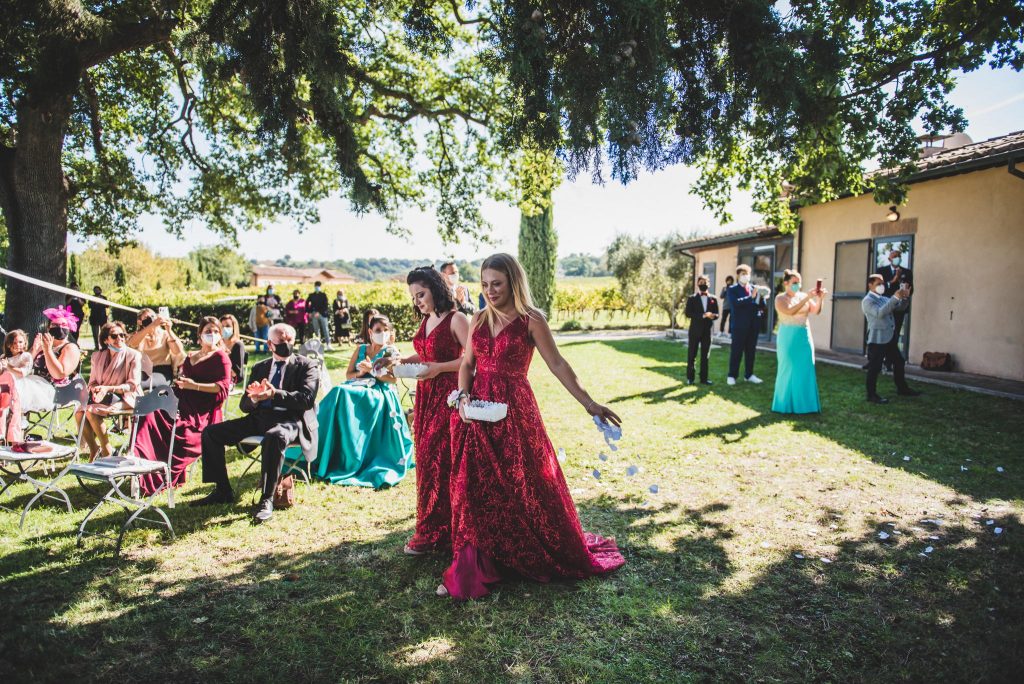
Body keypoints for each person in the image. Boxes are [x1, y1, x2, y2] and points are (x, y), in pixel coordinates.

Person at [440, 253, 625, 600]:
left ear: (513, 282)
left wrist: (590, 404)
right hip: (477, 410)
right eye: (484, 284)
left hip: (515, 411)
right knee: (474, 488)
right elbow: (467, 364)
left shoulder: (531, 320)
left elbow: (558, 364)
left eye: (497, 284)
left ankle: (521, 553)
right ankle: (479, 565)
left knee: (524, 484)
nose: (490, 291)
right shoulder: (477, 319)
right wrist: (462, 396)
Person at [195, 323, 319, 524]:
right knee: (211, 433)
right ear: (270, 344)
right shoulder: (260, 367)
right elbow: (244, 405)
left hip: (291, 420)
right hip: (259, 418)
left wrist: (274, 394)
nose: (286, 344)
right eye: (281, 341)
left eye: (289, 340)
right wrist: (254, 398)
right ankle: (222, 490)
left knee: (275, 436)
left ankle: (267, 498)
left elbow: (306, 399)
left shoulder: (306, 365)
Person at [400, 267, 470, 555]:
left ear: (436, 289)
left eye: (421, 294)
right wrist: (405, 360)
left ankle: (448, 529)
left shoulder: (458, 319)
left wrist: (438, 369)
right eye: (414, 297)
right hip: (426, 397)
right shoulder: (427, 320)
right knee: (427, 462)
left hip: (450, 397)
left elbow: (472, 361)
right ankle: (432, 527)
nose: (417, 301)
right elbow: (427, 353)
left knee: (443, 462)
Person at [311, 314, 413, 488]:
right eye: (378, 330)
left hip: (380, 392)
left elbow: (393, 379)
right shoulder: (360, 349)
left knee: (350, 395)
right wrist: (360, 373)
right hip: (357, 385)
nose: (382, 333)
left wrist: (373, 371)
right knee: (339, 392)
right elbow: (348, 374)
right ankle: (326, 448)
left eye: (385, 330)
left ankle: (356, 456)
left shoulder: (392, 351)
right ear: (370, 332)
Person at [134, 317, 232, 496]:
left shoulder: (221, 356)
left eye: (216, 331)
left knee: (179, 429)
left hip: (202, 410)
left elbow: (222, 387)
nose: (212, 334)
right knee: (149, 414)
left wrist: (193, 385)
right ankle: (139, 460)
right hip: (182, 400)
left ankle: (162, 472)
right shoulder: (191, 356)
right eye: (208, 331)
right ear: (200, 335)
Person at [78, 322, 143, 460]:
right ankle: (94, 448)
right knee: (79, 412)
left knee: (92, 411)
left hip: (128, 397)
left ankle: (106, 450)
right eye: (114, 336)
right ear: (106, 340)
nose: (119, 338)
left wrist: (108, 388)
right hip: (104, 396)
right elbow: (93, 382)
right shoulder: (97, 356)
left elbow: (132, 385)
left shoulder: (133, 355)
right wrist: (96, 389)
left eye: (122, 335)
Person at [772, 270, 825, 414]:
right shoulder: (780, 298)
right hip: (788, 337)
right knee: (788, 369)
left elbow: (816, 311)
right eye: (795, 282)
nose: (798, 285)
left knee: (806, 368)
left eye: (799, 282)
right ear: (786, 283)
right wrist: (807, 297)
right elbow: (790, 312)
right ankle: (784, 404)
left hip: (804, 336)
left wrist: (820, 298)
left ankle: (806, 406)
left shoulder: (803, 296)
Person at [862, 275, 921, 404]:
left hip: (889, 337)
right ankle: (871, 395)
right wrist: (895, 297)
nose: (881, 286)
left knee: (899, 361)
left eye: (882, 283)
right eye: (878, 283)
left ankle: (902, 389)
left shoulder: (883, 298)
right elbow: (880, 313)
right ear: (870, 285)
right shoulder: (867, 301)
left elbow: (899, 308)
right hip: (877, 339)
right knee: (874, 367)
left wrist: (904, 297)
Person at [18, 307, 83, 415]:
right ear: (48, 328)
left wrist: (48, 351)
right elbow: (22, 367)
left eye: (63, 325)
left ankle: (17, 424)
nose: (59, 328)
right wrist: (34, 349)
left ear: (70, 327)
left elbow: (58, 374)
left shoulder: (70, 348)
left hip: (53, 391)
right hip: (32, 384)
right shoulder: (44, 344)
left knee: (15, 389)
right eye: (55, 325)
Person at [725, 265, 765, 385]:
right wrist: (750, 297)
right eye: (743, 274)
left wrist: (762, 297)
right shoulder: (732, 289)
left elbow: (760, 305)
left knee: (751, 351)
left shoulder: (754, 288)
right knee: (736, 351)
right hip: (739, 326)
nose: (745, 276)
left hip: (753, 326)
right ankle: (732, 375)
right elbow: (736, 304)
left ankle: (749, 375)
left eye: (747, 273)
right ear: (738, 275)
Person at [128, 308, 186, 383]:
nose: (151, 319)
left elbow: (177, 351)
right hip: (142, 371)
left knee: (149, 385)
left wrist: (169, 330)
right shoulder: (139, 336)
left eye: (153, 317)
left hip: (162, 371)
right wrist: (152, 325)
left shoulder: (165, 334)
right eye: (147, 318)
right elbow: (132, 344)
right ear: (140, 322)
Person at [878, 249, 913, 370]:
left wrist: (908, 292)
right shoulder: (882, 271)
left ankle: (889, 362)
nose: (897, 258)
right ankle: (877, 359)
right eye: (894, 256)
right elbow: (879, 289)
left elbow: (911, 289)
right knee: (884, 334)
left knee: (895, 334)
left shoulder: (907, 272)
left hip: (899, 309)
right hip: (886, 308)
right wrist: (893, 280)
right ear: (889, 259)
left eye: (899, 256)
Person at [684, 276, 718, 386]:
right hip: (694, 330)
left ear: (709, 284)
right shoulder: (692, 298)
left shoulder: (713, 299)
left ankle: (704, 379)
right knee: (692, 354)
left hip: (707, 331)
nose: (703, 284)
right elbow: (688, 313)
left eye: (705, 282)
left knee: (705, 356)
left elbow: (717, 314)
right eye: (701, 282)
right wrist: (703, 315)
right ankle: (690, 378)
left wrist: (713, 316)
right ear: (698, 284)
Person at [0, 329, 32, 441]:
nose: (17, 345)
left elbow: (22, 373)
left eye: (20, 342)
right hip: (4, 386)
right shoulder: (4, 356)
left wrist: (8, 366)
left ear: (25, 343)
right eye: (14, 342)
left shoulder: (26, 356)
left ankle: (12, 436)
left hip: (19, 386)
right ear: (8, 345)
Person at [219, 313, 247, 386]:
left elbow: (239, 375)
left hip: (228, 381)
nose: (224, 329)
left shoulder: (238, 345)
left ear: (234, 328)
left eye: (228, 326)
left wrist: (225, 357)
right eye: (222, 326)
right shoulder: (217, 343)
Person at [306, 281, 331, 349]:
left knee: (325, 330)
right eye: (316, 286)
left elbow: (325, 305)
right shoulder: (311, 295)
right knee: (316, 330)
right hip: (314, 314)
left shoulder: (323, 295)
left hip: (322, 314)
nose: (317, 287)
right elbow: (307, 303)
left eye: (318, 286)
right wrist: (309, 312)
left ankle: (328, 344)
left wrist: (319, 312)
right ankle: (318, 345)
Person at [88, 286, 108, 350]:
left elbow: (107, 306)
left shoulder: (104, 298)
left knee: (103, 333)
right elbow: (89, 306)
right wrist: (95, 302)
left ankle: (104, 345)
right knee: (95, 334)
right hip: (94, 318)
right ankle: (96, 346)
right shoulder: (91, 297)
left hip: (102, 318)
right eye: (95, 290)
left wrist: (101, 301)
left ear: (100, 290)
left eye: (97, 290)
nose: (96, 291)